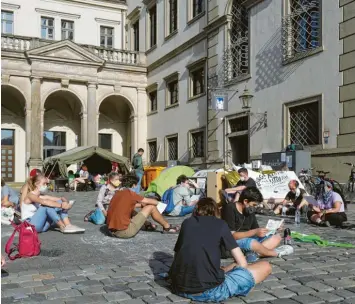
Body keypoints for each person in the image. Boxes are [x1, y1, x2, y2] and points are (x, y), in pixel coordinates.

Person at [169, 197, 272, 303]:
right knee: (265, 266)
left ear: (196, 209)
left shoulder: (187, 223)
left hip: (178, 287)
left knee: (232, 265)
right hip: (209, 291)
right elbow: (242, 263)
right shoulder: (221, 224)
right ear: (216, 211)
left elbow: (177, 256)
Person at [221, 187, 293, 262]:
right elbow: (232, 236)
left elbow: (256, 231)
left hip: (249, 240)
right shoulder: (230, 208)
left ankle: (253, 254)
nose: (255, 208)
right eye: (254, 204)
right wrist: (255, 232)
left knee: (277, 237)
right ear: (245, 201)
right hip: (234, 242)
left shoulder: (249, 211)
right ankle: (275, 253)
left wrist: (272, 229)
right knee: (252, 243)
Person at [106, 175, 180, 238]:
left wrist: (142, 205)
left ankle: (147, 225)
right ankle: (167, 227)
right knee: (151, 207)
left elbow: (130, 205)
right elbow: (148, 200)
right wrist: (160, 203)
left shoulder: (118, 193)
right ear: (134, 185)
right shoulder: (130, 193)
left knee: (131, 210)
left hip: (111, 230)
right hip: (124, 232)